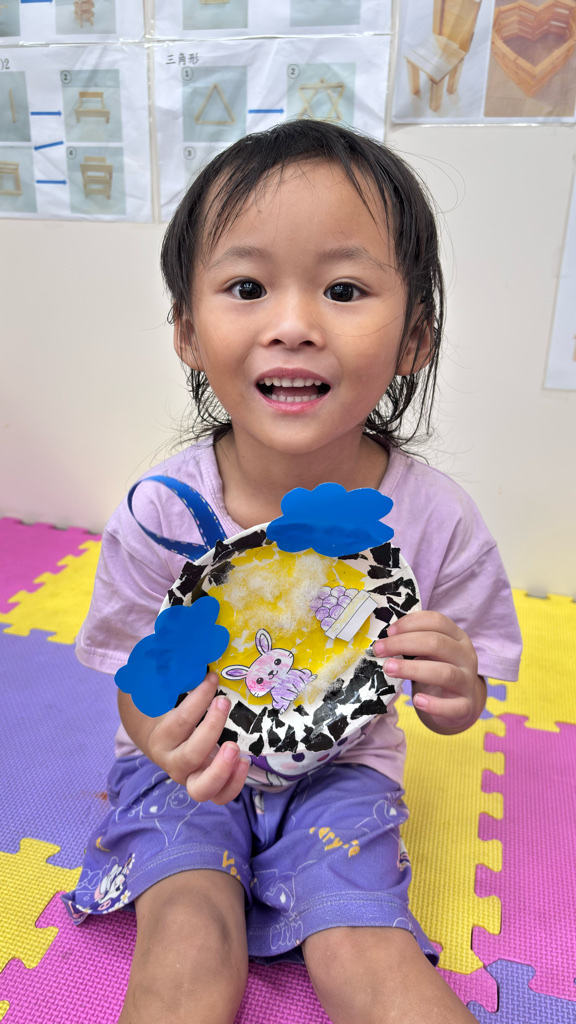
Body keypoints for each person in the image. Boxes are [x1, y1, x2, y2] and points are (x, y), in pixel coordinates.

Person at [64, 120, 522, 1024]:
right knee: (189, 931)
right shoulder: (163, 513)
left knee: (367, 950)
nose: (294, 327)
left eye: (344, 290)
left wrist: (456, 688)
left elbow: (463, 696)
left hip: (344, 773)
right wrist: (165, 743)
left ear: (415, 340)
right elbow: (132, 679)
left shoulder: (435, 519)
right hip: (189, 769)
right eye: (248, 288)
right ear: (188, 332)